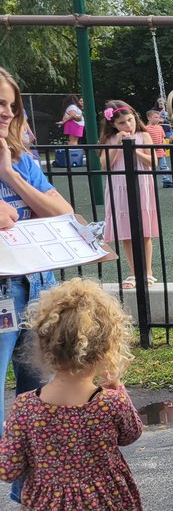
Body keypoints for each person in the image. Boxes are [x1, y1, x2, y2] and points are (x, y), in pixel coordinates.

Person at [0, 278, 143, 510]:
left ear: (44, 347)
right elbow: (130, 434)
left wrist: (13, 438)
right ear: (107, 348)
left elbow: (8, 470)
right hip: (106, 500)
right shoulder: (111, 403)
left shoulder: (25, 408)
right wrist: (116, 387)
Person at [0, 67, 74, 503]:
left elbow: (63, 213)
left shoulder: (20, 159)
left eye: (11, 106)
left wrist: (11, 177)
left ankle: (29, 494)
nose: (6, 113)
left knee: (41, 397)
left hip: (36, 287)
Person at [98, 100, 160, 290]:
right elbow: (105, 165)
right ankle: (134, 273)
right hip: (119, 186)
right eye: (122, 123)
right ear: (113, 125)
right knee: (127, 233)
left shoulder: (144, 136)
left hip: (142, 185)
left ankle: (147, 272)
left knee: (144, 232)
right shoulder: (110, 140)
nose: (128, 125)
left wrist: (134, 151)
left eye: (130, 120)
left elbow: (153, 162)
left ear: (135, 118)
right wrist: (119, 144)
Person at [145, 109, 171, 188]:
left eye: (158, 117)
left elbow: (162, 137)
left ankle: (166, 180)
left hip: (160, 151)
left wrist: (164, 145)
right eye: (155, 117)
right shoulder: (146, 129)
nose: (158, 119)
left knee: (164, 166)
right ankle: (150, 181)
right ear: (149, 118)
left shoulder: (160, 128)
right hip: (151, 151)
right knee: (151, 167)